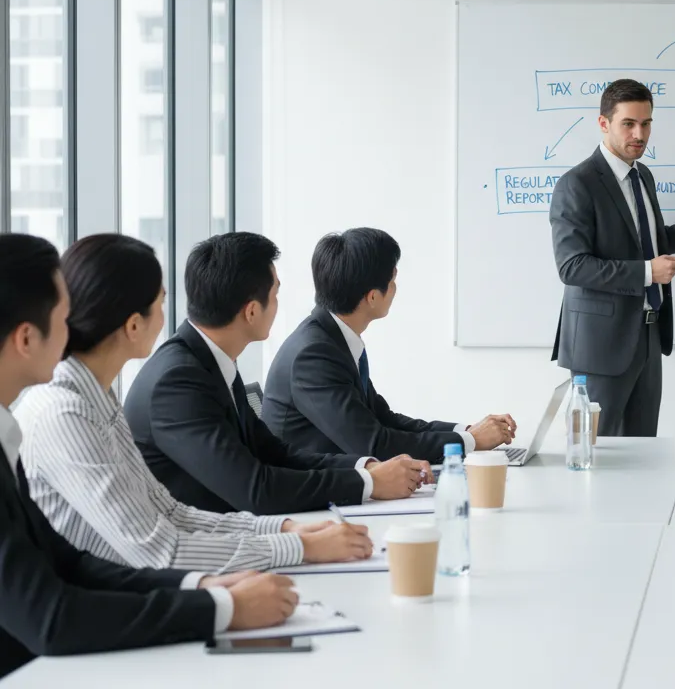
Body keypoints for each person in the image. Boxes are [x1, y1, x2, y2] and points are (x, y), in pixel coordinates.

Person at [0, 233, 298, 679]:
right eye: (64, 316)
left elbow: (70, 564)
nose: (73, 328)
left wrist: (204, 588)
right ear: (26, 337)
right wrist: (222, 605)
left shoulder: (65, 409)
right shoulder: (60, 410)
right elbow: (52, 615)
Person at [16, 234, 373, 574]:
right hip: (104, 602)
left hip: (138, 585)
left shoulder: (98, 396)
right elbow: (159, 549)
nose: (168, 315)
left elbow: (170, 512)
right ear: (134, 325)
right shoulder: (66, 411)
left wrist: (284, 531)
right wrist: (298, 546)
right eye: (161, 301)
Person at [124, 232, 426, 515]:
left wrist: (366, 469)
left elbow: (275, 453)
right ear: (252, 311)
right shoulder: (177, 382)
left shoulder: (206, 361)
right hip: (198, 553)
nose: (279, 305)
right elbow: (255, 489)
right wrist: (368, 484)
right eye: (276, 294)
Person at [549, 79, 675, 438]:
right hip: (600, 347)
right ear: (604, 124)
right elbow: (572, 266)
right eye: (628, 123)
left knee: (643, 453)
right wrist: (648, 272)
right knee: (594, 453)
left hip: (647, 336)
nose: (639, 133)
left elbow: (654, 240)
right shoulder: (577, 184)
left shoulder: (643, 175)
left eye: (646, 124)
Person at [263, 228, 516, 463]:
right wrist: (470, 442)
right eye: (393, 280)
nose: (395, 288)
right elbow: (373, 444)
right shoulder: (314, 354)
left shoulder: (334, 340)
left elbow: (384, 420)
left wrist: (467, 432)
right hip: (318, 496)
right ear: (372, 297)